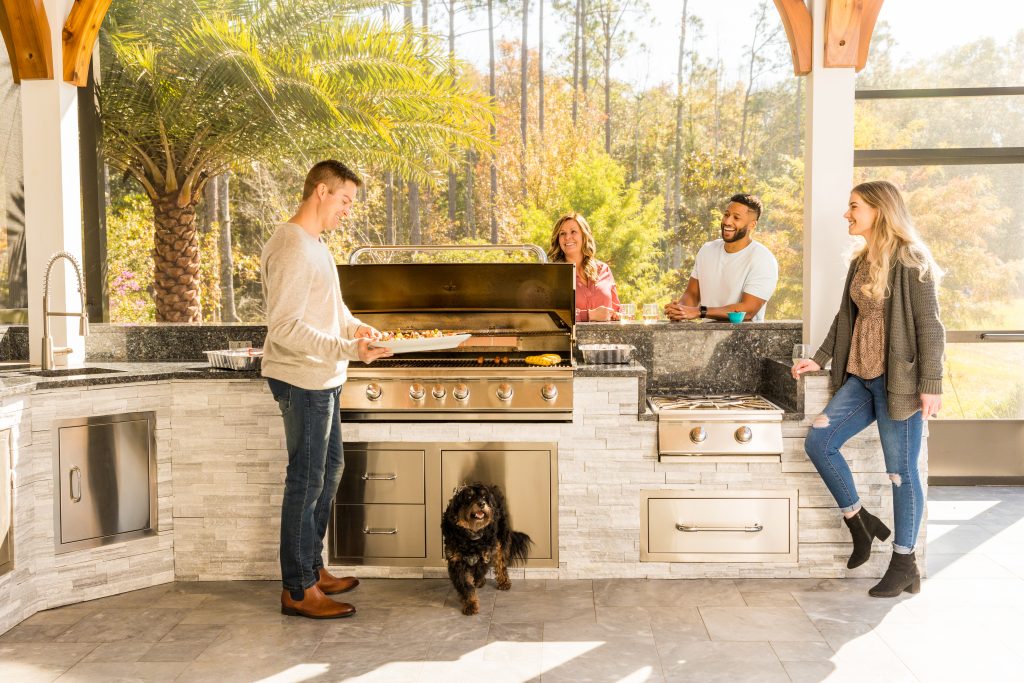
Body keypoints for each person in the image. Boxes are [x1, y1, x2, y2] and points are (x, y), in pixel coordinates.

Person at [791, 180, 944, 598]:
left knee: (901, 473)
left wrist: (931, 383)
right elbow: (845, 319)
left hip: (901, 384)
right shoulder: (861, 261)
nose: (847, 213)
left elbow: (931, 326)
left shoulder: (912, 259)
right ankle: (860, 522)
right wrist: (819, 358)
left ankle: (904, 562)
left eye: (854, 206)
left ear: (879, 210)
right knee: (819, 443)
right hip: (861, 378)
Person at [261, 160, 392, 619]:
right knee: (306, 478)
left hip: (325, 377)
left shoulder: (316, 245)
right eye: (345, 200)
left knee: (328, 471)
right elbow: (284, 328)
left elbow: (333, 309)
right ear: (321, 191)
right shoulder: (291, 245)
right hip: (302, 379)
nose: (348, 211)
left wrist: (359, 331)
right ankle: (297, 589)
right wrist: (348, 348)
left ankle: (312, 568)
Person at [664, 193, 778, 322]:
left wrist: (700, 311)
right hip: (706, 337)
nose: (728, 221)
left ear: (752, 225)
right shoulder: (707, 250)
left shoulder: (763, 259)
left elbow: (747, 310)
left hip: (744, 339)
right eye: (726, 215)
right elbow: (692, 294)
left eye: (736, 218)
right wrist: (680, 309)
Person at [547, 212, 621, 322]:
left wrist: (617, 315)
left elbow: (617, 310)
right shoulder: (553, 274)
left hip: (607, 339)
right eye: (562, 234)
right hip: (569, 339)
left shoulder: (603, 270)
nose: (567, 237)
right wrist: (589, 315)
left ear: (584, 235)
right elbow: (550, 316)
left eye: (573, 232)